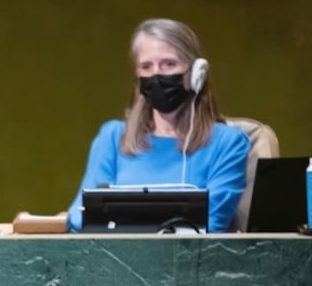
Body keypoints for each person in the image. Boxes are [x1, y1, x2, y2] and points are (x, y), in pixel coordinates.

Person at [67, 18, 250, 233]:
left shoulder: (228, 143)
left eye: (169, 64)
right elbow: (80, 220)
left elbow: (212, 225)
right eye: (147, 67)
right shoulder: (112, 137)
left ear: (195, 73)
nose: (156, 75)